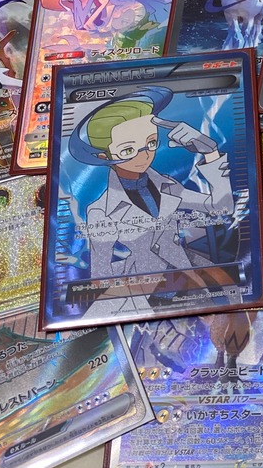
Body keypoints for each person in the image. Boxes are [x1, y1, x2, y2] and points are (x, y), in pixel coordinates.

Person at [73, 91, 234, 318]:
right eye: (128, 150)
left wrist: (211, 152)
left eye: (150, 143)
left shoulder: (166, 185)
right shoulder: (100, 210)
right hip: (145, 290)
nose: (144, 156)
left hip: (186, 274)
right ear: (104, 157)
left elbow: (222, 207)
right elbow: (101, 274)